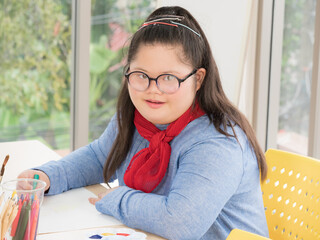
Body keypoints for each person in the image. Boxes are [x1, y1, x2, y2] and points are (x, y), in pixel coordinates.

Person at [18, 6, 269, 240]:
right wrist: (49, 176)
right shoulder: (136, 117)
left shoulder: (218, 142)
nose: (153, 90)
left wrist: (118, 199)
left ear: (198, 79)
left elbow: (180, 222)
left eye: (169, 78)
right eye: (141, 75)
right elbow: (99, 157)